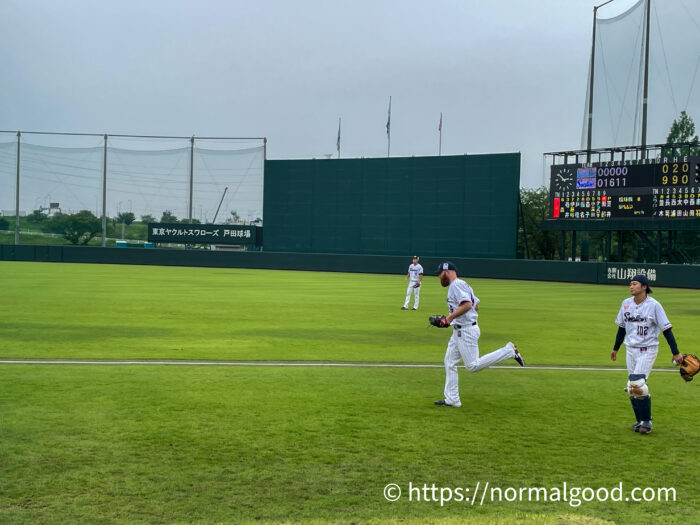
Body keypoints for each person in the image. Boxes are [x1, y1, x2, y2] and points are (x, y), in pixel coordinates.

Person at [433, 261, 524, 408]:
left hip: (466, 331)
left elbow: (468, 305)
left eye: (439, 274)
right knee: (449, 362)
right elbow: (475, 306)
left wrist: (449, 318)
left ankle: (508, 351)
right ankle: (452, 399)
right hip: (460, 330)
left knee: (473, 366)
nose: (438, 277)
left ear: (447, 271)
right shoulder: (462, 284)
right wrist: (451, 320)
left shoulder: (456, 285)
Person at [611, 274, 682, 435]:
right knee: (631, 388)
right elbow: (621, 328)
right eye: (630, 284)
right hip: (630, 349)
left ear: (644, 287)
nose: (631, 286)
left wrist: (676, 352)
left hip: (647, 349)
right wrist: (615, 348)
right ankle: (640, 421)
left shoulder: (654, 305)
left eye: (635, 284)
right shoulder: (626, 304)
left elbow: (666, 329)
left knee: (637, 384)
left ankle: (647, 422)